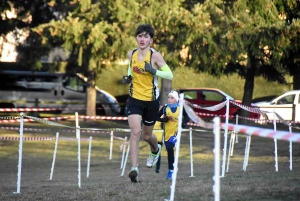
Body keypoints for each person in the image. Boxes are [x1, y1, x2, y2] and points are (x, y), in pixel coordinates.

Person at [122, 24, 173, 182]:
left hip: (151, 101)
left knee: (147, 135)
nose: (142, 39)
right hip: (134, 99)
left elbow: (169, 75)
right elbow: (131, 69)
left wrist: (154, 71)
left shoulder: (155, 56)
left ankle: (155, 149)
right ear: (136, 38)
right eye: (139, 36)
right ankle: (134, 169)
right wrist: (128, 77)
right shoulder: (132, 53)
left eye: (145, 36)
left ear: (151, 40)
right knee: (135, 132)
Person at [157, 90, 189, 179]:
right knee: (169, 150)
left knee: (171, 147)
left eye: (172, 98)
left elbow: (187, 117)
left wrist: (184, 123)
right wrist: (163, 119)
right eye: (169, 97)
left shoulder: (180, 107)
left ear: (176, 99)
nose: (169, 99)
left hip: (176, 132)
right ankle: (172, 168)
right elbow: (156, 117)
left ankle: (171, 170)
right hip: (167, 133)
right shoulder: (165, 108)